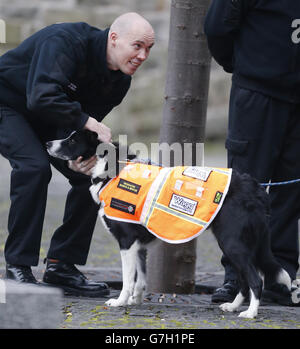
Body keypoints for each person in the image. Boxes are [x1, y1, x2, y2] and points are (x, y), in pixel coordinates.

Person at [0, 12, 155, 297]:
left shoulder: (119, 80)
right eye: (137, 46)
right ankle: (17, 266)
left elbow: (80, 128)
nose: (143, 55)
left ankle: (62, 266)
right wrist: (88, 123)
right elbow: (42, 96)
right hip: (8, 104)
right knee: (34, 168)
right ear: (114, 38)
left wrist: (83, 157)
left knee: (97, 174)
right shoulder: (66, 42)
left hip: (51, 119)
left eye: (149, 49)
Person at [204, 0, 300, 305]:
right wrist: (245, 66)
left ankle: (279, 279)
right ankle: (236, 278)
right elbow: (217, 28)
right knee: (243, 187)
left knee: (291, 188)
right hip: (257, 93)